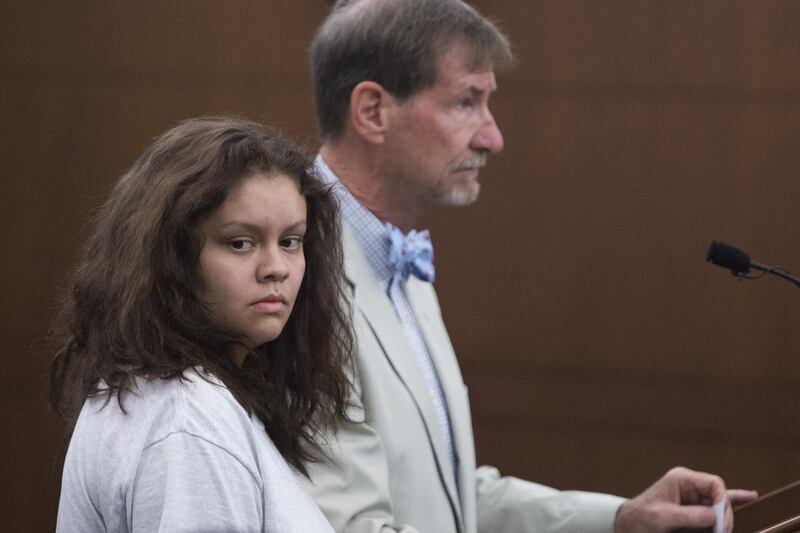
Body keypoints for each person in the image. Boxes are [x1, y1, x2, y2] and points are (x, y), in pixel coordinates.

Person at [303, 1, 756, 532]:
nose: (492, 137)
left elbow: (452, 499)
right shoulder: (293, 280)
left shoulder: (401, 262)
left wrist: (622, 519)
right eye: (466, 102)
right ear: (373, 111)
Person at [49, 117, 352, 532]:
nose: (276, 268)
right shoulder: (188, 420)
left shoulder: (171, 393)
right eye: (240, 243)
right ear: (170, 257)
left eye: (290, 241)